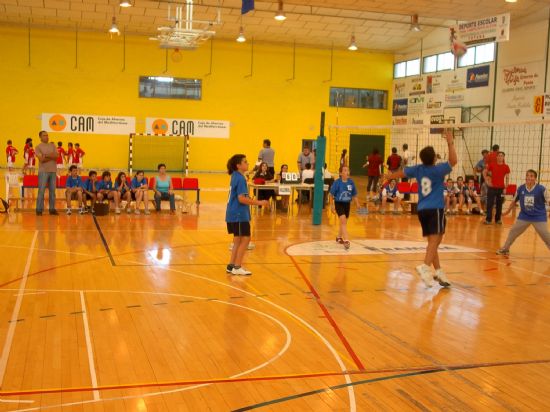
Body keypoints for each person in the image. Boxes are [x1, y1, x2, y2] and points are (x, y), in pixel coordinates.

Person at [386, 130, 457, 288]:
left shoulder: (418, 169)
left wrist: (387, 177)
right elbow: (453, 160)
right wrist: (450, 141)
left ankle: (438, 271)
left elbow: (400, 173)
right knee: (436, 240)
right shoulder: (438, 170)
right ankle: (425, 266)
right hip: (435, 209)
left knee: (433, 242)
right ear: (433, 158)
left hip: (422, 210)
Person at [226, 154, 269, 276]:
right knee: (245, 239)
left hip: (232, 212)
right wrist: (259, 202)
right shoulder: (240, 178)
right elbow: (241, 199)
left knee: (238, 239)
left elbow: (241, 196)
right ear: (238, 165)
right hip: (239, 213)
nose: (248, 163)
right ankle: (238, 266)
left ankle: (231, 265)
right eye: (245, 161)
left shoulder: (235, 176)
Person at [497, 170, 550, 255]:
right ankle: (505, 249)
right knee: (513, 231)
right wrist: (506, 212)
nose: (529, 177)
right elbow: (513, 202)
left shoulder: (541, 189)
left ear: (535, 178)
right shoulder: (521, 188)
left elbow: (549, 201)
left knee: (546, 236)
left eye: (532, 176)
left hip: (539, 217)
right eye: (528, 175)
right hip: (524, 216)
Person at [329, 165, 360, 250]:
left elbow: (354, 194)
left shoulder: (351, 182)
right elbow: (331, 195)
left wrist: (357, 203)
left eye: (348, 170)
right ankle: (346, 240)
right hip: (339, 203)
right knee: (343, 220)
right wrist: (332, 205)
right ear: (340, 173)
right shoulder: (337, 182)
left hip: (347, 204)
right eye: (345, 170)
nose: (347, 172)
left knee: (344, 222)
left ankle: (339, 237)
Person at [35, 131, 59, 216]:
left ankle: (52, 209)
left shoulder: (52, 145)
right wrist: (51, 156)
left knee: (52, 191)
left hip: (53, 171)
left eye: (47, 135)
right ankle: (39, 209)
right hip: (43, 171)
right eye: (44, 135)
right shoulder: (38, 147)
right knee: (41, 191)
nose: (46, 137)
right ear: (40, 137)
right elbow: (41, 160)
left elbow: (57, 156)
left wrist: (46, 155)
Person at [483, 151, 510, 225]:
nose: (500, 157)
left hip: (501, 189)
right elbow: (484, 172)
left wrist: (505, 188)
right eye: (499, 156)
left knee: (499, 204)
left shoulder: (506, 166)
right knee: (489, 204)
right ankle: (488, 219)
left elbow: (507, 178)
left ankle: (498, 219)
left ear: (503, 157)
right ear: (497, 157)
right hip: (492, 188)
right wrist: (487, 181)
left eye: (502, 156)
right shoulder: (492, 165)